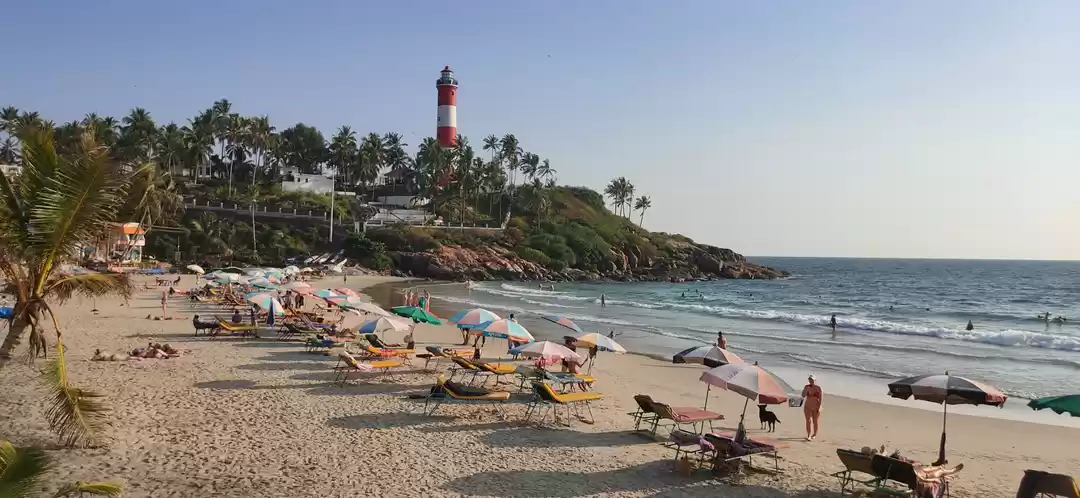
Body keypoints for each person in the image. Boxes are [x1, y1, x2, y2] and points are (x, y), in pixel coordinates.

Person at [802, 374, 823, 441]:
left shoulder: (818, 388)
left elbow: (820, 398)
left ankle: (814, 434)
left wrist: (819, 407)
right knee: (808, 421)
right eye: (810, 379)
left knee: (815, 421)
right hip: (807, 406)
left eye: (812, 380)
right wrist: (806, 390)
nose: (811, 381)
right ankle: (809, 435)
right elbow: (803, 395)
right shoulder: (806, 386)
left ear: (815, 380)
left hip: (816, 406)